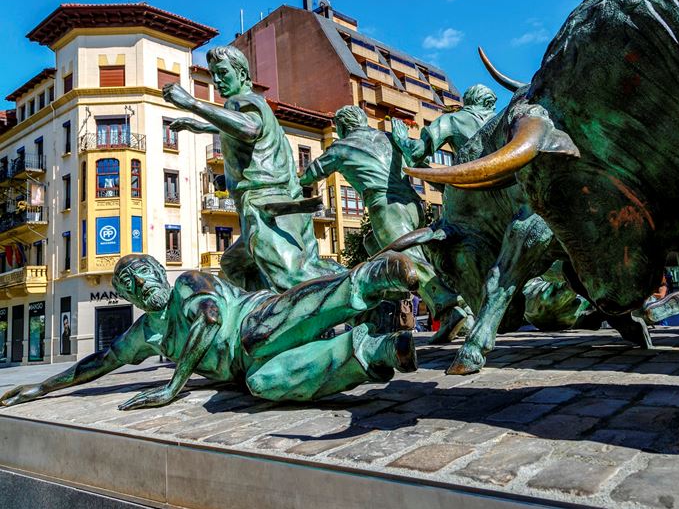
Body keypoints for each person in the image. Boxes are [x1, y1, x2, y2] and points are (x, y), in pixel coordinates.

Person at [0, 252, 418, 409]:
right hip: (244, 368)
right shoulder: (148, 331)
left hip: (254, 322)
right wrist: (43, 386)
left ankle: (370, 278)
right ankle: (378, 352)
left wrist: (172, 387)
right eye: (129, 285)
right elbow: (101, 362)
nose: (140, 285)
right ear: (133, 298)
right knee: (266, 383)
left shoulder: (190, 284)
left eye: (144, 274)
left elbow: (210, 321)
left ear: (160, 274)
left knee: (260, 333)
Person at [163, 46, 341, 293]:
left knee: (294, 282)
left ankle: (361, 288)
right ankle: (268, 312)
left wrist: (193, 104)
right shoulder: (258, 106)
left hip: (265, 203)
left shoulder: (241, 101)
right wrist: (203, 127)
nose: (216, 81)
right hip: (285, 204)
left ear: (243, 75)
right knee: (234, 263)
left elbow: (249, 130)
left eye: (223, 73)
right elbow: (250, 132)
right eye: (213, 75)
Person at [300, 105, 471, 342]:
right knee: (374, 247)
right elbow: (415, 158)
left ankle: (451, 308)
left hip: (386, 207)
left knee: (411, 261)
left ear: (341, 128)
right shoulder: (388, 137)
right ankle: (387, 306)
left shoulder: (342, 147)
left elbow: (311, 174)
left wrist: (294, 181)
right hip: (413, 204)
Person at [391, 84, 497, 168]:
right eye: (493, 105)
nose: (494, 108)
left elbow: (416, 152)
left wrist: (401, 138)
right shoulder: (502, 121)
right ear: (487, 102)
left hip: (473, 186)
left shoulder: (450, 120)